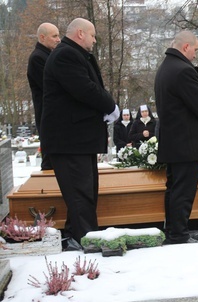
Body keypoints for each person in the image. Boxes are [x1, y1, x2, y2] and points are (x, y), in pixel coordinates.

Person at [41, 18, 119, 250]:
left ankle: (77, 236)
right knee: (80, 195)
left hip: (76, 140)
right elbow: (85, 88)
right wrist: (109, 106)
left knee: (84, 193)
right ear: (80, 33)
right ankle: (88, 242)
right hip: (69, 141)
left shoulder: (71, 54)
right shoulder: (66, 55)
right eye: (93, 35)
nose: (95, 40)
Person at [155, 30, 198, 244]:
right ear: (186, 47)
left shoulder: (165, 68)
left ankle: (174, 231)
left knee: (174, 190)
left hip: (172, 141)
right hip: (186, 142)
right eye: (195, 50)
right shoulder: (183, 70)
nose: (195, 55)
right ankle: (179, 235)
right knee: (183, 191)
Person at [27, 22, 60, 170]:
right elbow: (51, 86)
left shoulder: (48, 56)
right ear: (42, 37)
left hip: (53, 116)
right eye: (54, 36)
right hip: (49, 117)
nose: (58, 39)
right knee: (51, 159)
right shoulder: (38, 58)